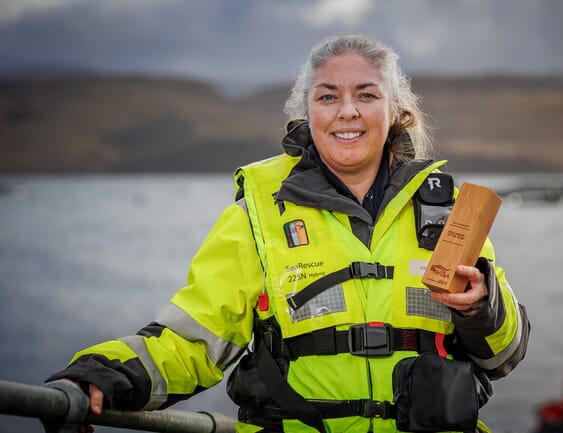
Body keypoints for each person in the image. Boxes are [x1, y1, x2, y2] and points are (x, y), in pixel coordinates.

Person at [48, 34, 530, 433]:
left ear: (395, 111)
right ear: (307, 113)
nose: (347, 112)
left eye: (366, 94)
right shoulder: (258, 214)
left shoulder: (448, 211)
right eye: (327, 96)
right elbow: (192, 342)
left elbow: (505, 354)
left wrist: (481, 308)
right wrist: (101, 373)